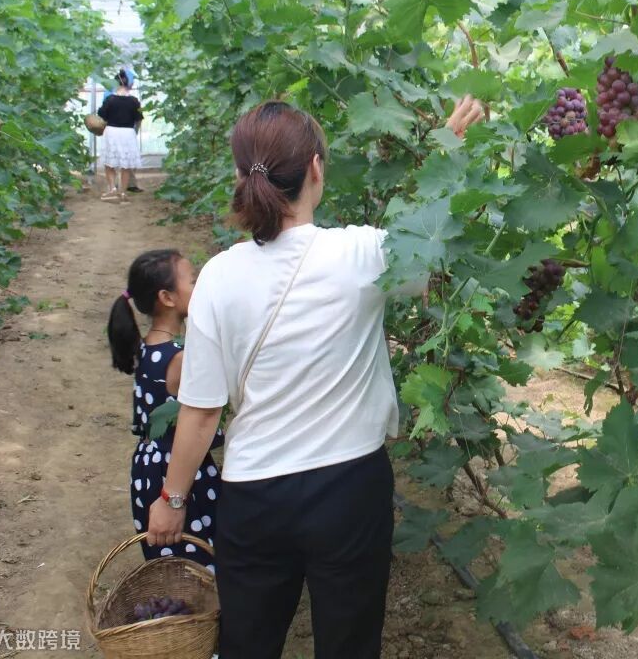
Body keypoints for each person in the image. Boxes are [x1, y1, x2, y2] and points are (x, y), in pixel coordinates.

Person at [146, 96, 484, 659]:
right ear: (317, 169)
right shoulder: (364, 254)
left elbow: (201, 411)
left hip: (255, 495)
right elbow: (427, 239)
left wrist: (172, 498)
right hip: (350, 490)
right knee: (349, 645)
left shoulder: (219, 277)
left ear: (241, 177)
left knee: (247, 644)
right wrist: (448, 150)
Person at [107, 248, 223, 567]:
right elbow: (205, 417)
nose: (200, 287)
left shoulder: (149, 347)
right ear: (167, 298)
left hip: (148, 468)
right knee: (200, 559)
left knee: (171, 562)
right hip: (179, 472)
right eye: (193, 281)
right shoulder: (180, 358)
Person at [98, 68, 143, 202]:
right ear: (128, 84)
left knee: (109, 163)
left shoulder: (110, 99)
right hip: (128, 133)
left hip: (112, 132)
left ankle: (112, 189)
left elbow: (101, 116)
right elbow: (139, 119)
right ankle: (123, 192)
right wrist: (134, 131)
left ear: (115, 83)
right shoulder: (134, 101)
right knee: (126, 164)